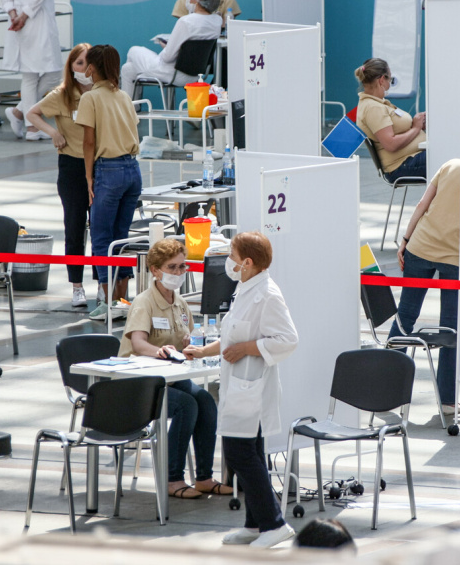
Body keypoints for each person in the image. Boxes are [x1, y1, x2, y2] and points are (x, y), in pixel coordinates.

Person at [191, 231, 298, 548]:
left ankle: (274, 524)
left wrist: (248, 348)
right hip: (240, 385)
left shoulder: (267, 295)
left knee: (239, 453)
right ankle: (255, 524)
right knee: (250, 453)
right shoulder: (246, 289)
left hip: (252, 387)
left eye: (232, 257)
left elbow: (287, 340)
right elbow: (232, 336)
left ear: (247, 262)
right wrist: (203, 351)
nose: (229, 263)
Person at [118, 238, 230, 498]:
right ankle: (172, 479)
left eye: (182, 267)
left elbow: (189, 338)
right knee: (185, 405)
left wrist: (191, 345)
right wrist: (158, 351)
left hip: (171, 376)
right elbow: (138, 343)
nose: (179, 272)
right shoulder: (144, 302)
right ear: (155, 271)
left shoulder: (180, 303)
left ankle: (204, 477)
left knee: (205, 401)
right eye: (172, 267)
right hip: (140, 381)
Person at [74, 44, 141, 320]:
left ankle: (108, 303)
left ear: (92, 67)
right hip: (133, 170)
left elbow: (89, 142)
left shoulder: (90, 98)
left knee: (101, 237)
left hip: (108, 170)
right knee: (121, 238)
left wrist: (89, 176)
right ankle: (123, 301)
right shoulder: (123, 96)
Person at [393, 157, 460, 417]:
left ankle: (386, 389)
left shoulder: (451, 165)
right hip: (455, 257)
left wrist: (405, 240)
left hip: (420, 247)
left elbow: (422, 204)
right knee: (450, 327)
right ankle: (447, 401)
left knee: (405, 317)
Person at [27, 43, 95, 309]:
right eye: (79, 63)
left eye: (89, 63)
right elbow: (33, 113)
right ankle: (77, 286)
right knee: (74, 227)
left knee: (99, 228)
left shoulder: (102, 93)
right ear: (71, 66)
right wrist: (53, 133)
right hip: (72, 166)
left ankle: (103, 284)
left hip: (99, 165)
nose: (84, 68)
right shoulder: (62, 95)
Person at [0, 0, 61, 142]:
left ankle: (19, 113)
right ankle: (32, 127)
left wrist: (13, 14)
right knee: (49, 74)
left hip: (20, 22)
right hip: (35, 21)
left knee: (33, 76)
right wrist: (24, 15)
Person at [122, 0, 223, 95]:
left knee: (133, 50)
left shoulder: (186, 21)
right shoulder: (217, 21)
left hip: (173, 73)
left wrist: (166, 47)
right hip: (196, 75)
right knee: (128, 69)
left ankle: (127, 105)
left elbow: (167, 58)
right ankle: (130, 105)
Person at [355, 58, 426, 182]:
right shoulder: (373, 108)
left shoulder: (377, 103)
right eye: (390, 79)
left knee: (450, 155)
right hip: (402, 165)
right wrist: (416, 128)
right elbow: (391, 144)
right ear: (382, 80)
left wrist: (417, 124)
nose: (390, 83)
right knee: (451, 157)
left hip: (409, 159)